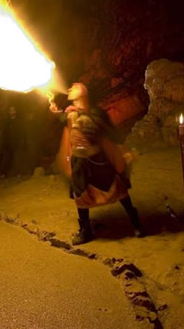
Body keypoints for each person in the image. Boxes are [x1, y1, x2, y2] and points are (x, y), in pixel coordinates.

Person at [50, 83, 144, 245]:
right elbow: (61, 118)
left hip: (98, 159)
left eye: (75, 86)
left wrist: (124, 151)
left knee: (117, 189)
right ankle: (86, 231)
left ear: (84, 92)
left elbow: (111, 133)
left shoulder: (96, 113)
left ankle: (135, 222)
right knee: (80, 195)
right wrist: (55, 109)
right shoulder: (70, 113)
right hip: (79, 161)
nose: (70, 88)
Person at [2, 105, 26, 176]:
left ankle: (18, 173)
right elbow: (4, 133)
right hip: (8, 144)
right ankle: (4, 173)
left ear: (15, 111)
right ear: (9, 112)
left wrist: (22, 142)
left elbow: (22, 132)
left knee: (17, 159)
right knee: (7, 159)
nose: (12, 111)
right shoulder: (6, 122)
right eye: (10, 110)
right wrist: (4, 143)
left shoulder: (19, 121)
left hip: (17, 143)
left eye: (13, 110)